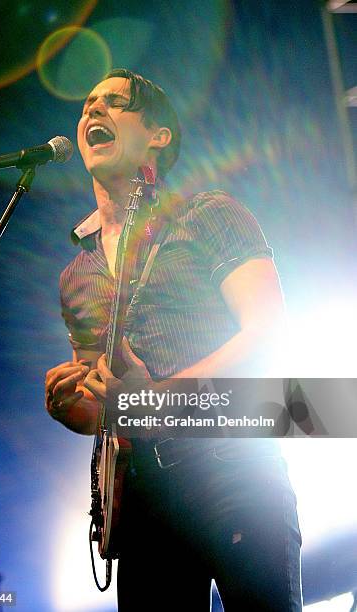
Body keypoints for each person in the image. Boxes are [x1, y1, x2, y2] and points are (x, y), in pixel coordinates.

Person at [45, 68, 303, 611]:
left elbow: (270, 332)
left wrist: (162, 395)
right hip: (143, 500)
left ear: (159, 136)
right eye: (88, 103)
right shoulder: (76, 276)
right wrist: (80, 410)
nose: (94, 111)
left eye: (115, 103)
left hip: (234, 463)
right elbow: (107, 406)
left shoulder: (209, 214)